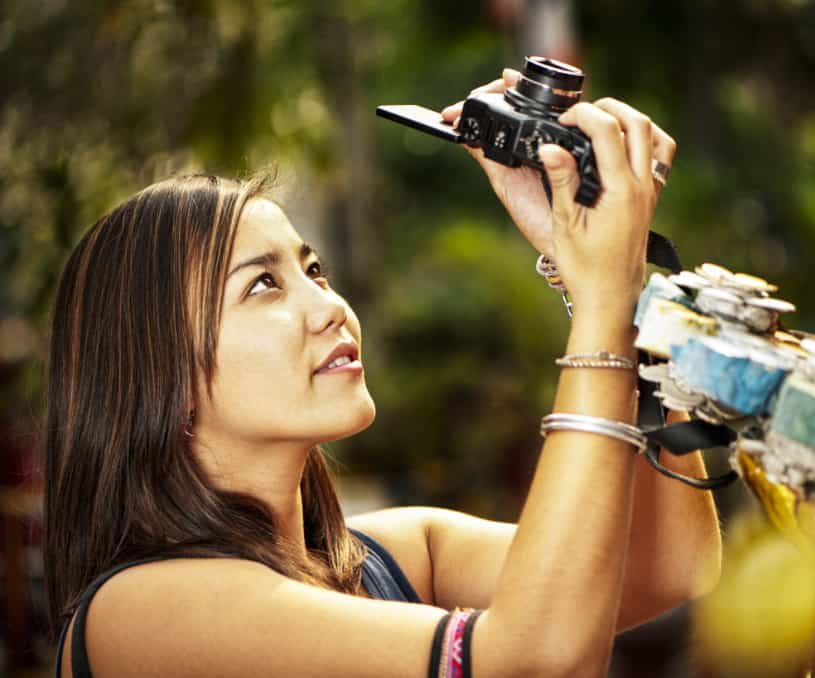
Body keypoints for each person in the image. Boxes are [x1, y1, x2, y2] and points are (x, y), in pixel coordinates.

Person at [44, 68, 721, 678]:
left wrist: (619, 296)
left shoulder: (395, 558)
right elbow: (533, 659)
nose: (329, 307)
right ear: (159, 374)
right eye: (261, 287)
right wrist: (600, 304)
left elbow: (667, 567)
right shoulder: (139, 610)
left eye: (313, 271)